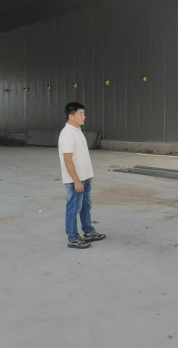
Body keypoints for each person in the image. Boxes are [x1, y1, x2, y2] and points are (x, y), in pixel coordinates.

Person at [59, 102, 106, 249]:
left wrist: (88, 174)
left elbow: (83, 156)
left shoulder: (77, 131)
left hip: (84, 178)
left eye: (84, 114)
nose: (84, 117)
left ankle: (88, 231)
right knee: (73, 208)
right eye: (81, 114)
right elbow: (67, 160)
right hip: (75, 180)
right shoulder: (67, 134)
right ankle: (73, 238)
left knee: (85, 206)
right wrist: (77, 181)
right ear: (71, 116)